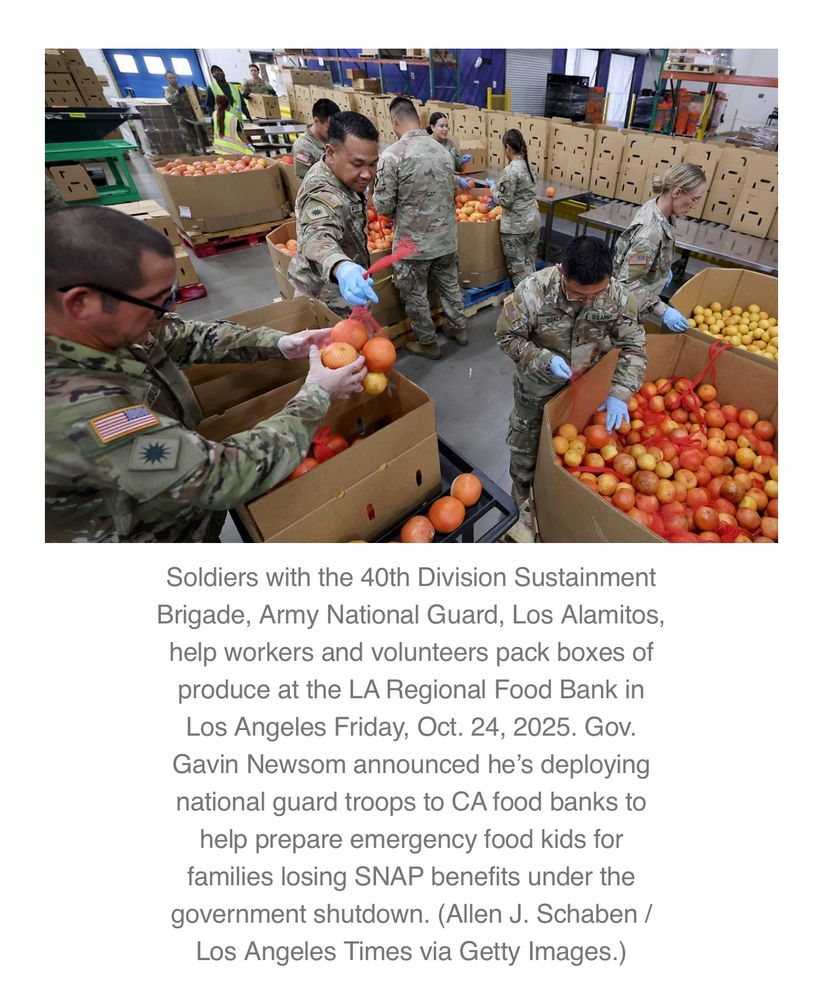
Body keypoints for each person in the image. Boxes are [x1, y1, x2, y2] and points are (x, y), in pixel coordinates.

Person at [45, 206, 365, 543]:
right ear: (82, 303)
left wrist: (279, 343)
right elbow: (220, 476)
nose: (169, 310)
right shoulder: (77, 412)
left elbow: (183, 336)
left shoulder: (99, 327)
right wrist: (317, 394)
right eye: (157, 301)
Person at [495, 236, 647, 512]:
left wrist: (620, 393)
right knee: (525, 451)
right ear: (561, 271)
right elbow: (507, 336)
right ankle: (522, 504)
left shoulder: (618, 297)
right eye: (578, 295)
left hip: (586, 390)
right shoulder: (533, 292)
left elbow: (634, 346)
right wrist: (543, 359)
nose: (587, 302)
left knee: (573, 451)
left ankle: (556, 503)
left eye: (595, 295)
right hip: (537, 390)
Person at [372, 97, 468, 360]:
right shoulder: (442, 150)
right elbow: (452, 190)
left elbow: (382, 205)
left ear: (394, 121)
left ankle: (428, 343)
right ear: (419, 118)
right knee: (450, 285)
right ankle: (459, 329)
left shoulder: (393, 155)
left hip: (412, 246)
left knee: (415, 294)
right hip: (446, 238)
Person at [288, 112, 379, 316]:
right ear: (330, 153)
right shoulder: (321, 191)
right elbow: (318, 235)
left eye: (372, 164)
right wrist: (342, 266)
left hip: (344, 284)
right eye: (357, 164)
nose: (367, 174)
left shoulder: (344, 178)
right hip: (324, 294)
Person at [612, 162, 707, 330]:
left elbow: (647, 256)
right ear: (677, 192)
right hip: (625, 312)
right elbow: (627, 283)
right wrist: (663, 311)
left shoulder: (658, 209)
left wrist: (661, 269)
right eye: (694, 199)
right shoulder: (650, 234)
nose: (694, 206)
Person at [486, 129, 541, 287]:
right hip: (533, 222)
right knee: (529, 262)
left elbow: (505, 201)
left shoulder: (510, 171)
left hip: (516, 227)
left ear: (508, 148)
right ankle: (535, 296)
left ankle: (524, 304)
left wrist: (493, 189)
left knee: (518, 269)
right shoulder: (530, 166)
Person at [292, 99, 341, 181]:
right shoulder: (302, 148)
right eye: (329, 128)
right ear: (316, 121)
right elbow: (306, 182)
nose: (333, 131)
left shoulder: (333, 138)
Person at [163, 71, 206, 155]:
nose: (173, 79)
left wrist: (196, 92)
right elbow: (170, 100)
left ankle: (200, 153)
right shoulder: (168, 90)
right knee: (188, 137)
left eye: (174, 77)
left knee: (198, 135)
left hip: (192, 116)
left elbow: (194, 100)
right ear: (167, 79)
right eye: (170, 78)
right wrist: (177, 93)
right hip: (182, 117)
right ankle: (192, 154)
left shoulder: (184, 88)